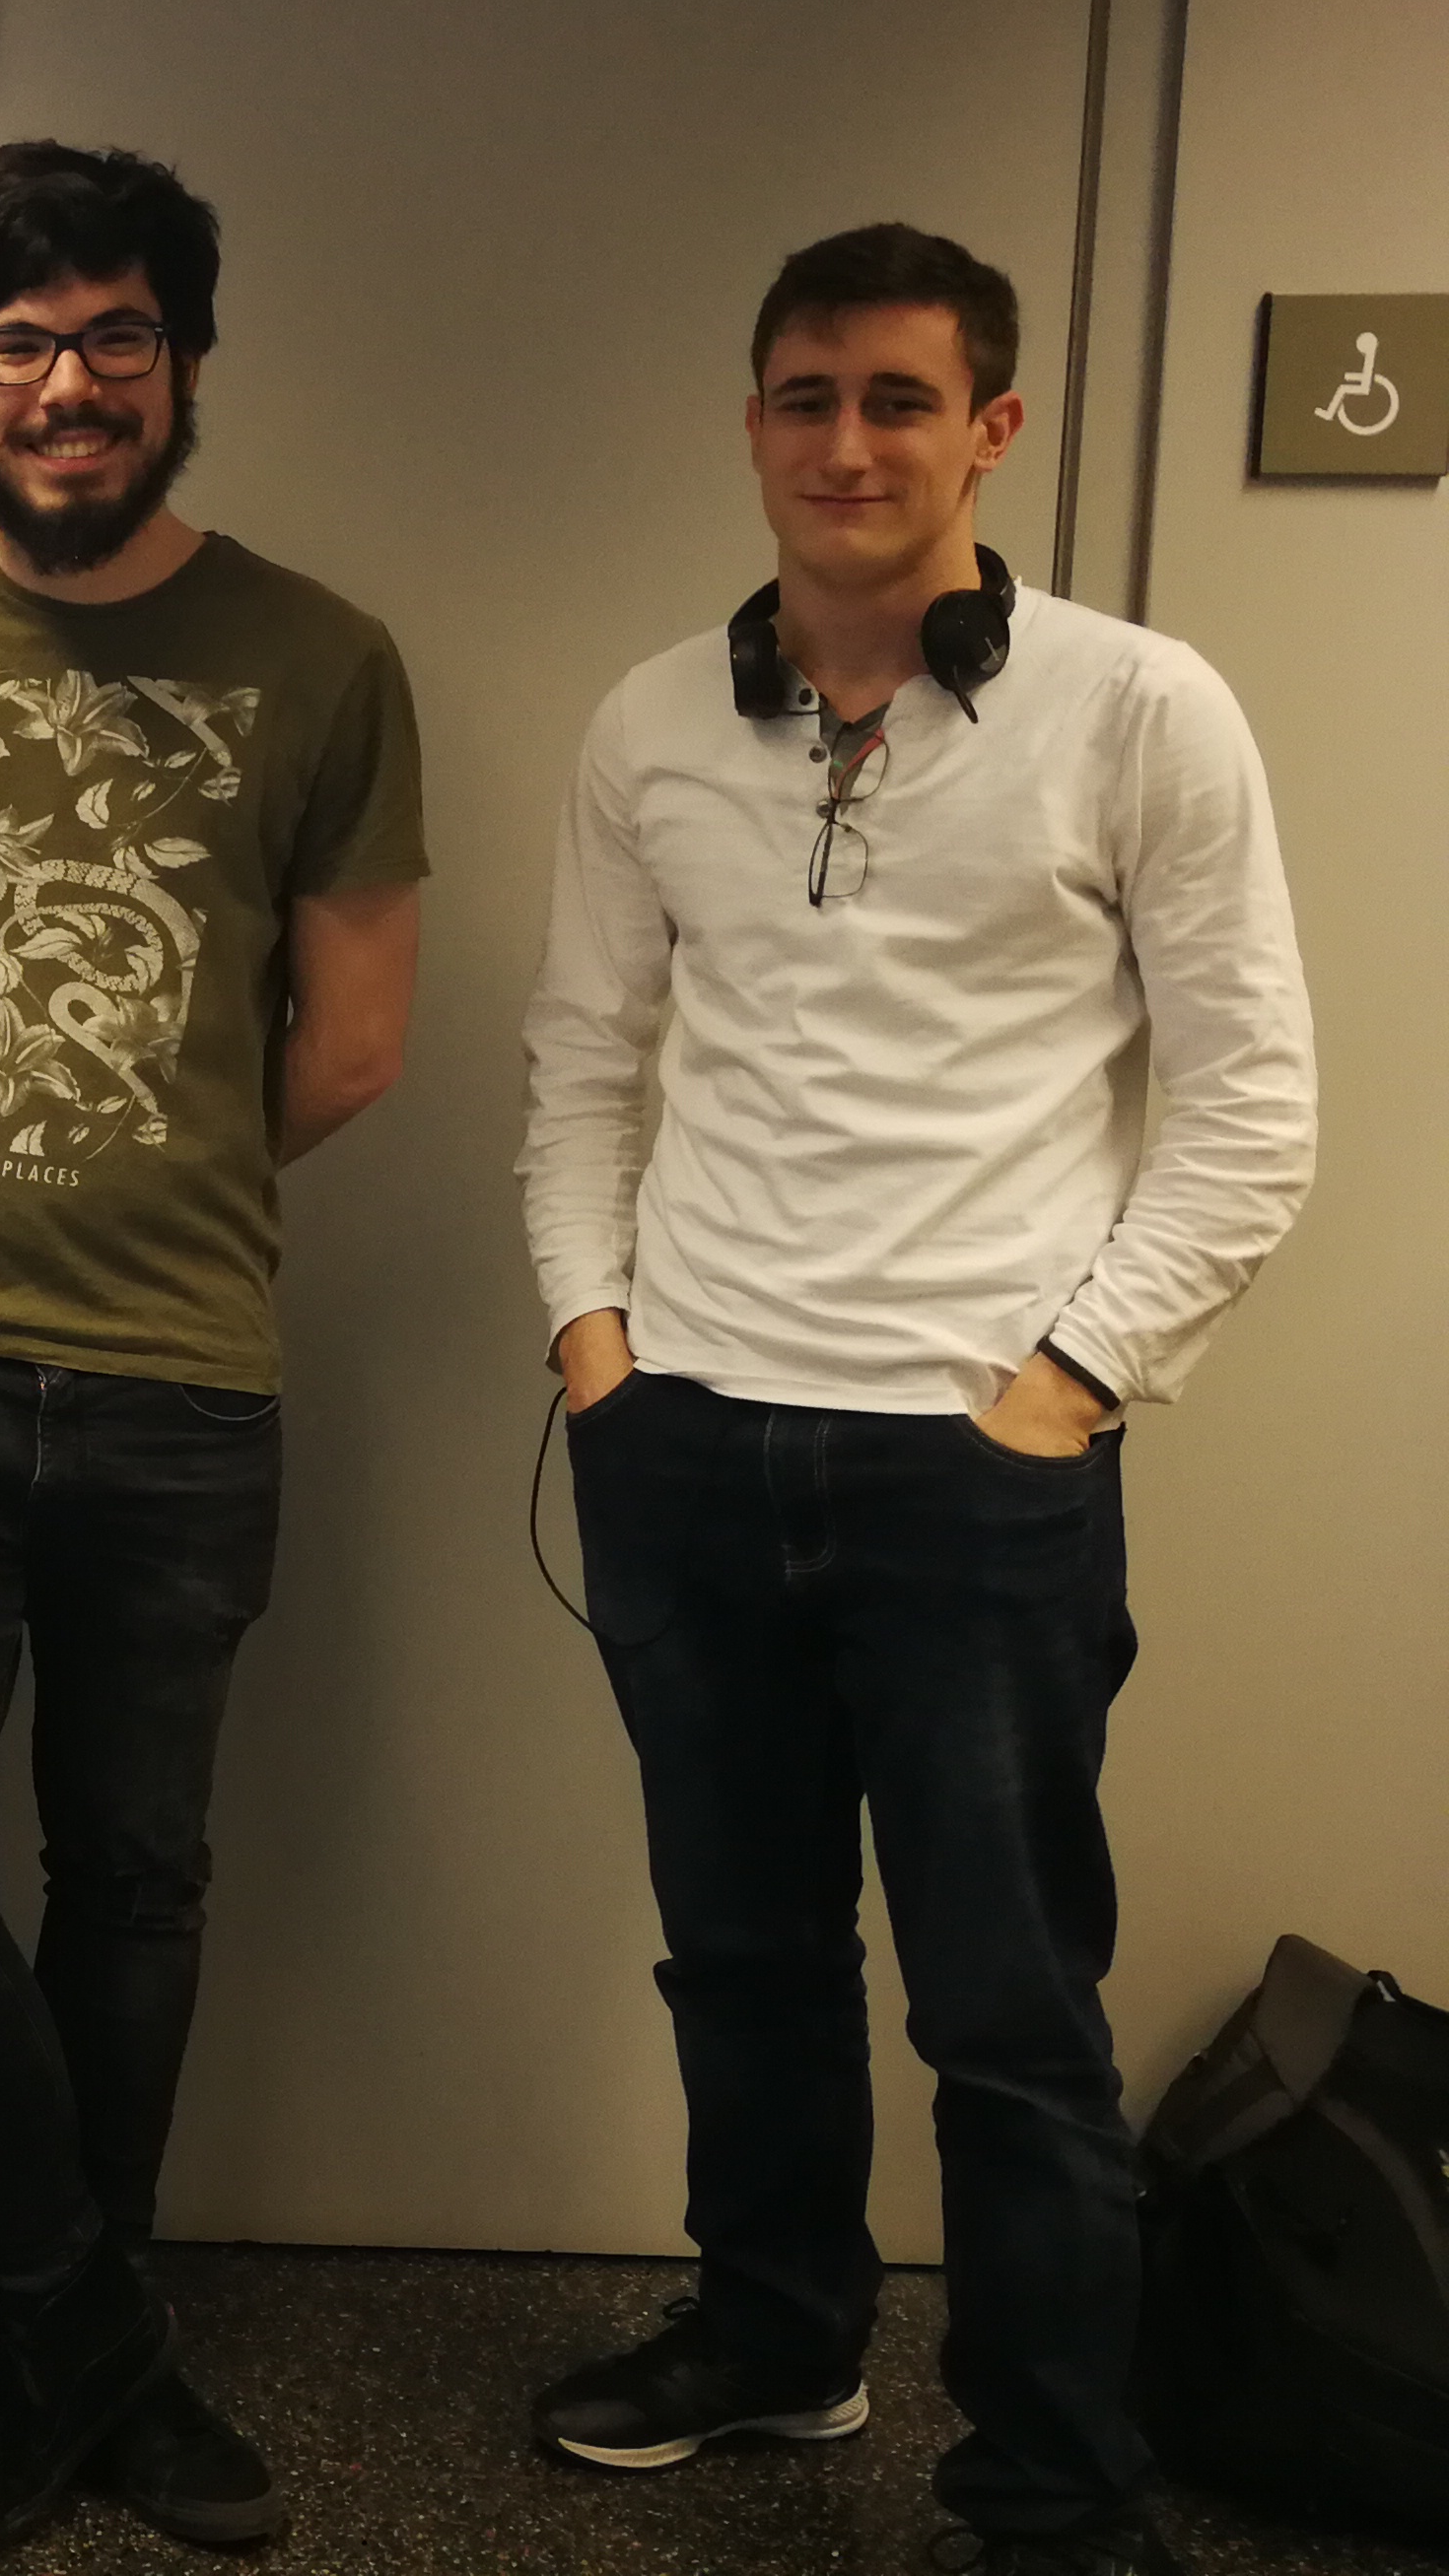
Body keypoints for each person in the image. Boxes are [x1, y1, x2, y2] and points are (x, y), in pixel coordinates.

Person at [517, 223, 1316, 2576]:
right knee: (741, 1959)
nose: (844, 444)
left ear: (992, 428)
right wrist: (595, 1349)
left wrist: (1067, 1387)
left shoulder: (1138, 707)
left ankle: (1052, 2489)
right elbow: (579, 1068)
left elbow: (1251, 1108)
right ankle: (777, 2332)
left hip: (975, 1470)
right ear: (750, 423)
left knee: (1006, 2012)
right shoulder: (651, 722)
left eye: (895, 399)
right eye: (803, 397)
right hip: (686, 1440)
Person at [0, 139, 428, 2558]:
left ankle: (34, 2354)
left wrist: (112, 1161)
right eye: (17, 348)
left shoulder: (323, 658)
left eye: (112, 341)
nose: (64, 389)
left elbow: (349, 1046)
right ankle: (94, 2328)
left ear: (181, 364)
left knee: (134, 1882)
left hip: (180, 1376)